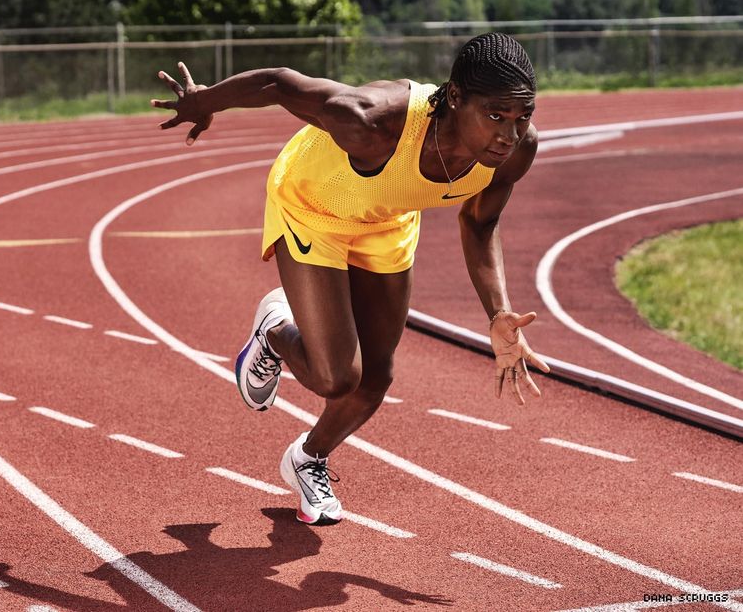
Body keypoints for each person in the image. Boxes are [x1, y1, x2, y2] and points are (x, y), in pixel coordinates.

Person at [152, 32, 551, 526]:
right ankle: (276, 330)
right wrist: (203, 102)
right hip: (315, 206)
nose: (507, 136)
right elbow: (279, 83)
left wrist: (497, 313)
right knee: (336, 377)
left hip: (387, 217)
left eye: (521, 117)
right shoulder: (370, 121)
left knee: (376, 377)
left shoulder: (516, 151)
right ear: (454, 98)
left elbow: (479, 222)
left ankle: (307, 458)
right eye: (495, 116)